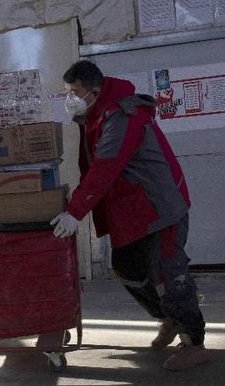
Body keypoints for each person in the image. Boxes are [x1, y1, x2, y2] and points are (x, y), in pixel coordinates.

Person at [50, 60, 209, 371]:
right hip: (133, 209)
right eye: (66, 92)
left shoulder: (122, 115)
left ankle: (195, 341)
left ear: (94, 91)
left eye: (74, 92)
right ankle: (169, 318)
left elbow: (105, 168)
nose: (69, 98)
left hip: (159, 206)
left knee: (168, 272)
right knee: (127, 267)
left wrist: (74, 213)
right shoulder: (95, 114)